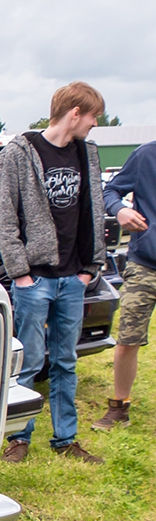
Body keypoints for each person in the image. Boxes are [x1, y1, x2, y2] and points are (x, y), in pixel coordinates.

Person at [0, 81, 108, 464]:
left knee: (65, 361)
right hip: (35, 279)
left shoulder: (86, 153)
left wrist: (89, 268)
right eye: (93, 116)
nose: (95, 124)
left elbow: (92, 210)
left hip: (73, 277)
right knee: (27, 361)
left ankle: (65, 439)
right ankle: (17, 439)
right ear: (75, 113)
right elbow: (5, 217)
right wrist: (20, 273)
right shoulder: (19, 153)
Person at [93, 141, 155, 430]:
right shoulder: (146, 156)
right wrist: (120, 210)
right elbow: (110, 189)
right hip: (145, 264)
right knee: (128, 338)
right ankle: (119, 408)